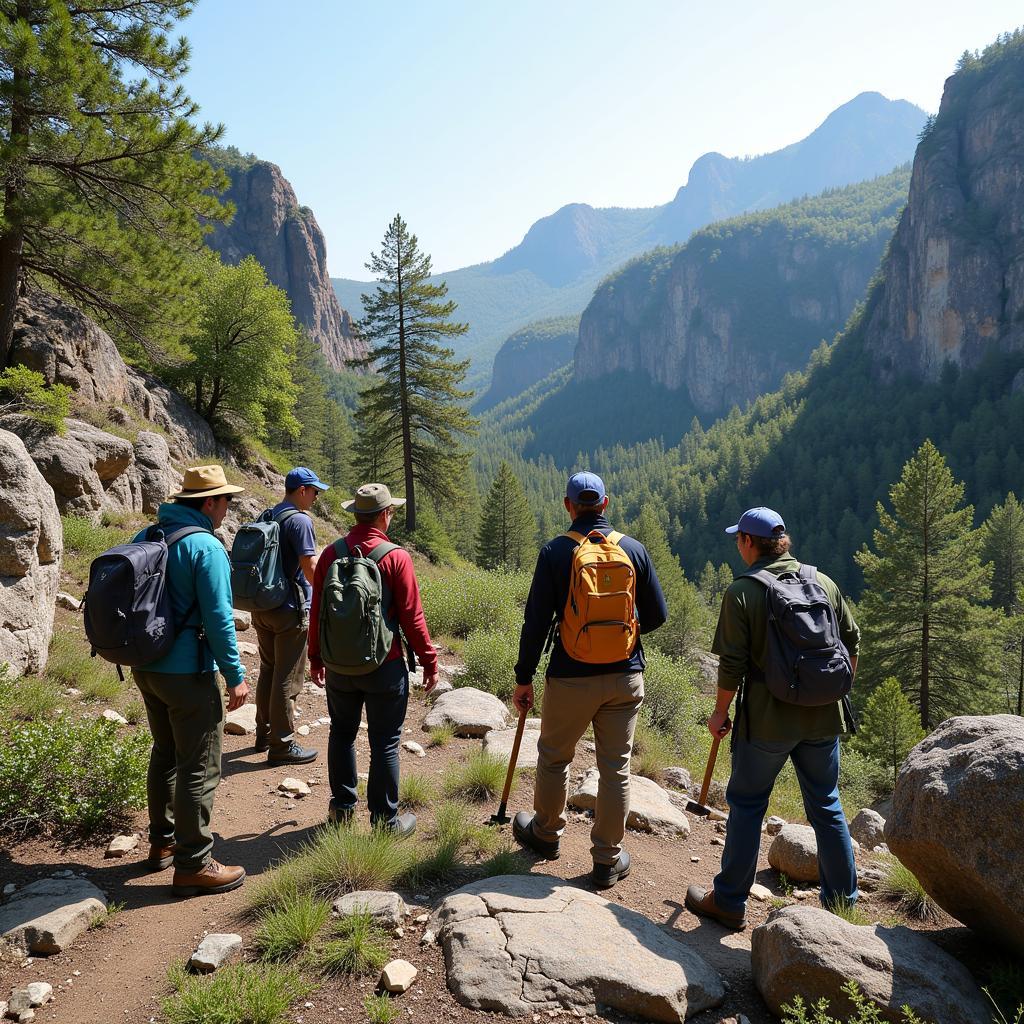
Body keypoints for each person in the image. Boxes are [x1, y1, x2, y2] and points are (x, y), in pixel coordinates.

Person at [685, 507, 860, 930]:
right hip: (823, 718)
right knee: (826, 803)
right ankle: (843, 905)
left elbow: (732, 666)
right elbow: (852, 642)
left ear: (749, 543)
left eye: (737, 540)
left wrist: (720, 713)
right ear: (782, 542)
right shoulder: (824, 582)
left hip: (767, 720)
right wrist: (836, 690)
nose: (737, 546)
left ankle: (728, 902)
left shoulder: (742, 592)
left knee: (747, 805)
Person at [511, 471, 668, 888]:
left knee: (554, 756)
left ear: (568, 506)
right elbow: (657, 615)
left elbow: (535, 622)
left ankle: (545, 835)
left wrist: (523, 677)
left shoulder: (555, 552)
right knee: (615, 769)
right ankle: (606, 860)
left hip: (570, 677)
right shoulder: (633, 549)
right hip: (625, 676)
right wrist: (622, 636)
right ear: (605, 503)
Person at [131, 465, 249, 897]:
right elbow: (219, 619)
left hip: (147, 667)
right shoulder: (206, 547)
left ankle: (162, 842)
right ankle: (194, 864)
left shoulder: (150, 535)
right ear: (208, 503)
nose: (227, 509)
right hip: (187, 674)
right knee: (199, 764)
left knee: (164, 753)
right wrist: (235, 676)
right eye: (225, 501)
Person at [308, 483, 438, 835]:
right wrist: (429, 661)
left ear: (356, 514)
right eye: (391, 511)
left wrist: (316, 657)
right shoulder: (396, 557)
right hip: (385, 664)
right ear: (384, 515)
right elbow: (412, 617)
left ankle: (342, 810)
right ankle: (384, 822)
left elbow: (317, 610)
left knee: (342, 733)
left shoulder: (331, 554)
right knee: (385, 742)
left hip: (338, 664)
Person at [252, 467, 329, 766]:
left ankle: (263, 733)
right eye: (314, 491)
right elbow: (310, 568)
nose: (316, 497)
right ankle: (282, 746)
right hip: (289, 611)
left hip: (262, 606)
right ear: (301, 490)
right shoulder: (299, 521)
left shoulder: (268, 515)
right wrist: (324, 599)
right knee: (288, 678)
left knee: (268, 670)